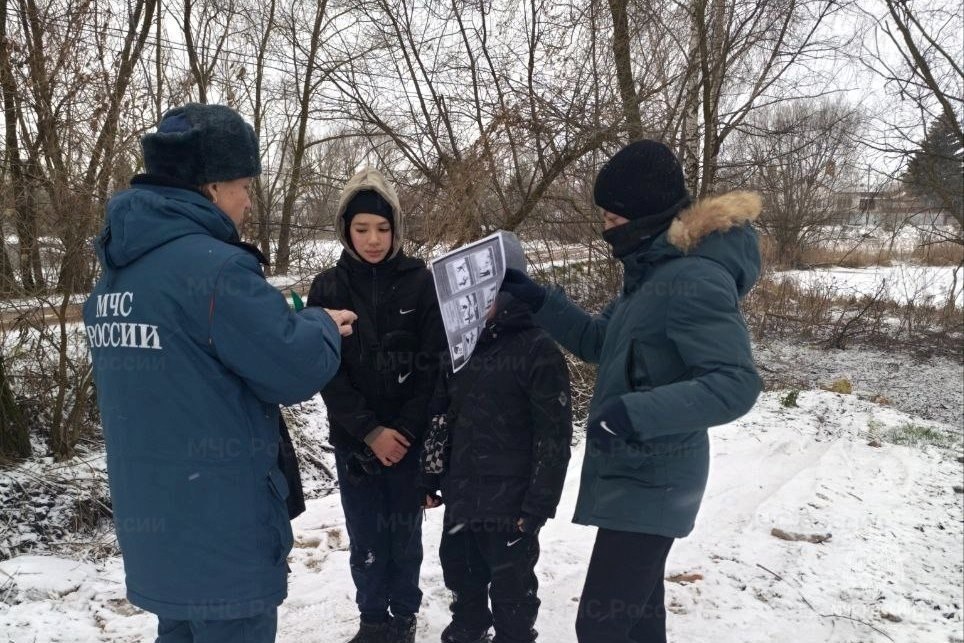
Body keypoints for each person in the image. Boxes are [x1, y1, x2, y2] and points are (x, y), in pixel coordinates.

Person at [83, 103, 356, 643]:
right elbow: (292, 368)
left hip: (159, 532)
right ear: (211, 187)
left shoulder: (118, 273)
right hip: (222, 536)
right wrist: (322, 324)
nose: (249, 201)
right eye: (244, 186)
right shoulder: (216, 268)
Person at [500, 140, 763, 643]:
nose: (606, 228)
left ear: (646, 214)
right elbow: (600, 342)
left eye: (614, 218)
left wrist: (634, 413)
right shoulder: (651, 272)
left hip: (657, 478)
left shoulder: (693, 278)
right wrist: (538, 299)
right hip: (634, 472)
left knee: (600, 625)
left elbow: (736, 384)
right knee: (639, 620)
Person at [307, 167, 445, 643]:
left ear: (396, 229)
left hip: (408, 438)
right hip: (355, 441)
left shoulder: (420, 282)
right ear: (345, 229)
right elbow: (327, 372)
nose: (373, 239)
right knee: (365, 535)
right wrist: (369, 431)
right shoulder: (328, 288)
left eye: (383, 228)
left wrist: (403, 432)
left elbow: (434, 365)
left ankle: (403, 619)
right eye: (362, 228)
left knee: (404, 536)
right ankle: (372, 620)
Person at [420, 288, 573, 643]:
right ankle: (468, 631)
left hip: (512, 503)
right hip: (461, 494)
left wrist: (538, 506)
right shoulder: (458, 348)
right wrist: (428, 476)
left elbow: (553, 436)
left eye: (486, 292)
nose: (474, 302)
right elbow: (440, 416)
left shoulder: (537, 348)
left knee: (512, 592)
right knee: (460, 576)